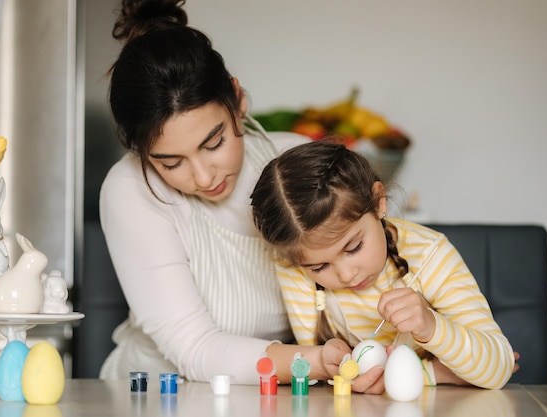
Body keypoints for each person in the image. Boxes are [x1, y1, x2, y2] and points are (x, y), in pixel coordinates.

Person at [99, 0, 365, 386]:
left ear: (237, 100)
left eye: (214, 142)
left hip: (274, 393)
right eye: (171, 164)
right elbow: (195, 349)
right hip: (156, 397)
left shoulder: (292, 160)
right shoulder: (129, 189)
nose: (204, 177)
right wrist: (317, 362)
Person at [250, 140, 517, 391]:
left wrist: (431, 327)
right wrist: (435, 373)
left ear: (379, 202)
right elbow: (323, 375)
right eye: (319, 267)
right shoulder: (294, 266)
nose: (346, 274)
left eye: (354, 248)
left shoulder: (429, 255)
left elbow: (499, 367)